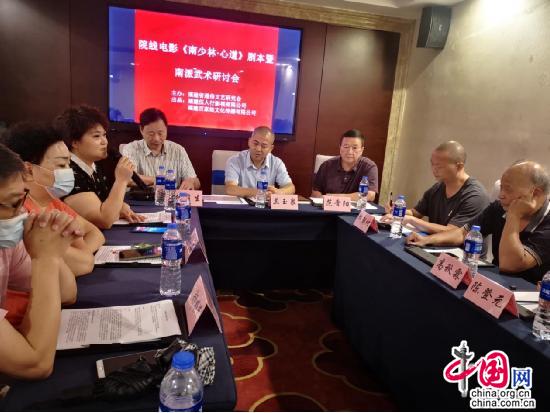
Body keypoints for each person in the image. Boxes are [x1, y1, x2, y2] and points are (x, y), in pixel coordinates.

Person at [0, 143, 80, 379]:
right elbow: (35, 365)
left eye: (22, 199)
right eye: (13, 203)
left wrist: (49, 244)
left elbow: (67, 293)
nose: (22, 212)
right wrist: (46, 258)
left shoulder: (6, 241)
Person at [407, 161, 550, 283]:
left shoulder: (545, 221)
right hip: (495, 282)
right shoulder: (499, 208)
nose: (501, 195)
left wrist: (513, 216)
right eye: (501, 187)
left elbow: (509, 264)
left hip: (532, 297)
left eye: (508, 189)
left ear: (535, 194)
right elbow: (463, 233)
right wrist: (427, 240)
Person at [3, 122, 105, 276]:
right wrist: (79, 254)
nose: (69, 171)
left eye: (69, 164)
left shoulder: (51, 200)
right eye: (61, 165)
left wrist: (78, 253)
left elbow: (95, 234)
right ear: (28, 170)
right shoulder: (21, 215)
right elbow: (84, 263)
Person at [53, 105, 144, 229]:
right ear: (74, 142)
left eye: (104, 135)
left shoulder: (94, 165)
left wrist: (120, 206)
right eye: (96, 136)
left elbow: (104, 202)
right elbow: (104, 220)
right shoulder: (69, 172)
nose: (104, 142)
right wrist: (122, 181)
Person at [382, 141, 489, 234]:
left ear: (459, 166)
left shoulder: (475, 196)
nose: (434, 169)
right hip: (433, 243)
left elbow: (453, 232)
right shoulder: (438, 188)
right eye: (432, 164)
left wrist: (411, 220)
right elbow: (416, 212)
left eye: (439, 166)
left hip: (460, 250)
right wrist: (398, 211)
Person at [121, 108, 200, 190]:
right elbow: (127, 177)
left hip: (171, 197)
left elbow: (196, 182)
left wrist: (191, 182)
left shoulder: (178, 150)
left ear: (166, 129)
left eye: (160, 133)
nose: (156, 139)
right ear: (141, 130)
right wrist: (157, 180)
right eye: (151, 134)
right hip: (142, 197)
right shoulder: (131, 149)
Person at [225, 126, 295, 197]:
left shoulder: (277, 163)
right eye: (255, 144)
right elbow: (230, 189)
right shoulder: (235, 161)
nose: (258, 149)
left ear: (271, 148)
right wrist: (261, 193)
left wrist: (278, 192)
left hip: (265, 203)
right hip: (242, 203)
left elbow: (290, 187)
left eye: (264, 146)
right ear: (249, 142)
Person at [311, 129, 378, 202]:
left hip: (356, 209)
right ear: (340, 147)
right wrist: (321, 199)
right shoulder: (326, 165)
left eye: (355, 148)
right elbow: (315, 192)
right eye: (346, 147)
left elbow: (370, 195)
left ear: (361, 150)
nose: (350, 152)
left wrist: (334, 197)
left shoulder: (369, 167)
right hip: (328, 208)